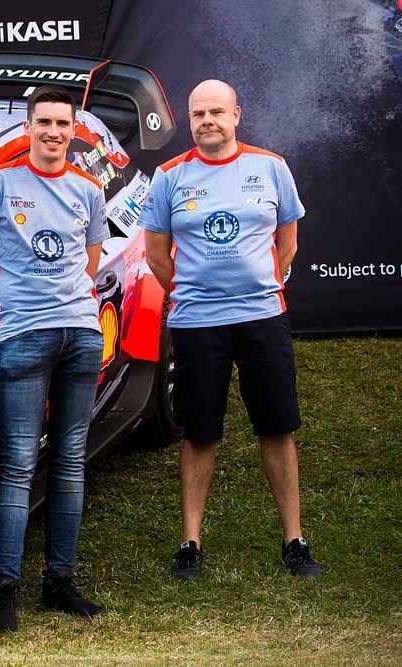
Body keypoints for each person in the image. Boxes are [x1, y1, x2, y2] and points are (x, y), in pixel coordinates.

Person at [137, 79, 321, 581]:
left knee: (277, 427)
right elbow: (155, 255)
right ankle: (191, 543)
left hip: (263, 318)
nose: (207, 121)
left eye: (217, 112)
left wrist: (261, 285)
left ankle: (294, 540)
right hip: (197, 324)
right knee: (199, 431)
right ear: (190, 121)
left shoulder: (270, 167)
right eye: (198, 114)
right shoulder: (170, 176)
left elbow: (288, 240)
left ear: (236, 114)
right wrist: (197, 293)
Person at [0, 85, 109, 633]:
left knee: (71, 459)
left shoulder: (88, 189)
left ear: (75, 132)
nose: (53, 132)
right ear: (28, 128)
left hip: (81, 335)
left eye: (63, 124)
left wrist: (59, 293)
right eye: (43, 122)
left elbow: (89, 265)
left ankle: (59, 583)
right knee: (20, 463)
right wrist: (25, 291)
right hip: (23, 335)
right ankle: (5, 591)